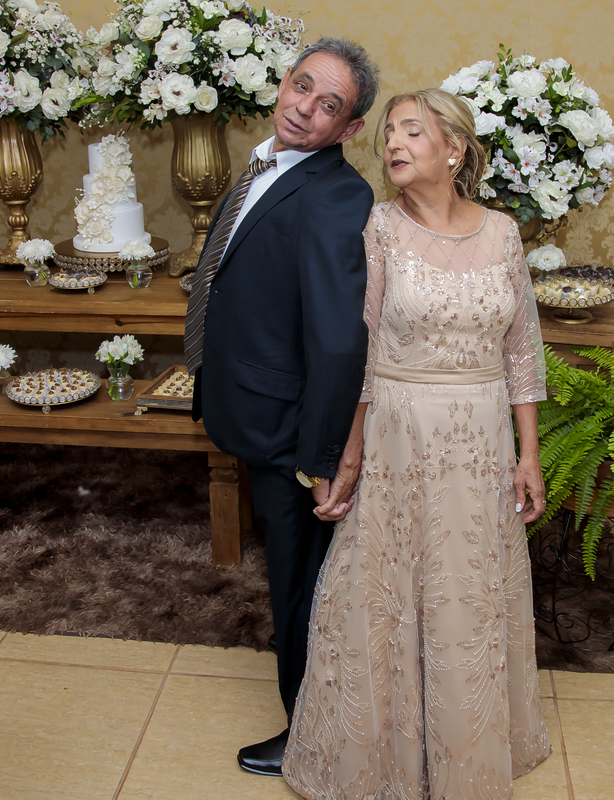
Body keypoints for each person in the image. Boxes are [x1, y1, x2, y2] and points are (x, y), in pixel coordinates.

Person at [282, 88, 553, 798]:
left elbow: (522, 352)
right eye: (389, 135)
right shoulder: (379, 227)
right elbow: (361, 353)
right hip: (401, 436)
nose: (393, 145)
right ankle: (381, 762)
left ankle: (469, 750)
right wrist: (347, 458)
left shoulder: (503, 232)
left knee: (469, 591)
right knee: (389, 593)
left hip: (482, 439)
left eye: (412, 131)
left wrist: (527, 454)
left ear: (455, 148)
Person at [183, 38, 381, 777]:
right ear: (282, 84)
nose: (305, 109)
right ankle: (312, 707)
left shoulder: (337, 195)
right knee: (289, 574)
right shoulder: (265, 163)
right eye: (302, 87)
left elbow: (337, 340)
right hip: (251, 405)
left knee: (299, 584)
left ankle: (309, 736)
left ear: (349, 128)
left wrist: (322, 456)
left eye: (329, 106)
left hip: (288, 428)